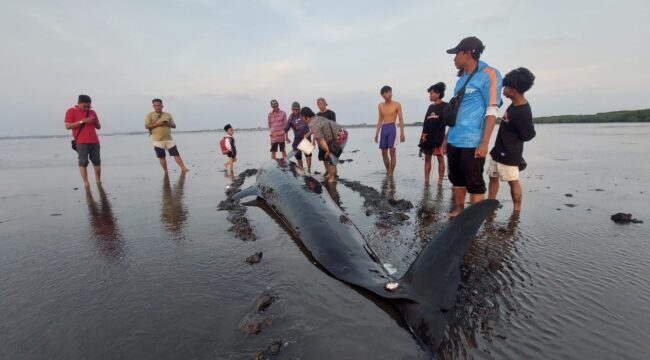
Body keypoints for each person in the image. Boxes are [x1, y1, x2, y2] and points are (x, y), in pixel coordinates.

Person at [445, 36, 503, 217]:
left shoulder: (490, 74)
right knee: (456, 177)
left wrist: (484, 142)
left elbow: (492, 110)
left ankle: (473, 217)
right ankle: (460, 208)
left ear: (468, 53)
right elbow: (455, 112)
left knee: (474, 180)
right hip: (455, 138)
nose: (454, 58)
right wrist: (446, 138)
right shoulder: (460, 80)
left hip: (473, 140)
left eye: (456, 54)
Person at [487, 67, 536, 212]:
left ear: (513, 90)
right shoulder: (513, 105)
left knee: (513, 181)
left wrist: (512, 141)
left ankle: (517, 211)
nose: (503, 89)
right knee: (493, 177)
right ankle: (489, 205)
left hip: (510, 153)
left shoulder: (523, 110)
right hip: (498, 150)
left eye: (506, 87)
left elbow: (528, 135)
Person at [301, 107, 348, 183]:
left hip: (341, 135)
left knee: (331, 155)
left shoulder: (313, 123)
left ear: (305, 116)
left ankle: (332, 178)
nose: (302, 119)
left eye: (302, 117)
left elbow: (322, 140)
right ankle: (332, 174)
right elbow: (319, 128)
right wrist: (309, 134)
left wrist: (328, 150)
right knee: (330, 155)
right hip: (339, 131)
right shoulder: (315, 117)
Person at [64, 94, 102, 187]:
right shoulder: (71, 111)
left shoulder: (92, 112)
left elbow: (99, 127)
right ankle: (86, 182)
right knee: (83, 161)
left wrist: (95, 121)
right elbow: (67, 126)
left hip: (94, 141)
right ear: (79, 103)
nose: (87, 108)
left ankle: (98, 180)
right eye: (85, 106)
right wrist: (83, 121)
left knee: (97, 161)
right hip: (81, 141)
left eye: (89, 106)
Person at [144, 98, 189, 173]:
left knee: (176, 154)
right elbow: (146, 126)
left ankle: (183, 168)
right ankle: (165, 171)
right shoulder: (150, 115)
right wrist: (158, 124)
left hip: (168, 139)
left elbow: (174, 126)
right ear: (153, 106)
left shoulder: (167, 114)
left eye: (159, 105)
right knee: (162, 157)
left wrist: (167, 124)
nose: (157, 107)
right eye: (156, 105)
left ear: (162, 106)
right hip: (157, 140)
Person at [418, 82, 448, 186]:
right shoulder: (430, 108)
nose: (430, 95)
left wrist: (446, 140)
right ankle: (426, 181)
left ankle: (440, 182)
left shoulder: (446, 106)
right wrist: (422, 139)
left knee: (440, 159)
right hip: (428, 138)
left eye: (431, 93)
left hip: (439, 138)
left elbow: (450, 122)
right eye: (430, 93)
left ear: (438, 94)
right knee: (427, 158)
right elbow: (425, 123)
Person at [374, 86, 406, 176]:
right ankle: (388, 170)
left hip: (393, 127)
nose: (389, 94)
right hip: (384, 128)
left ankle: (391, 172)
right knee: (383, 152)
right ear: (383, 95)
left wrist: (402, 133)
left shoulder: (397, 104)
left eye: (390, 92)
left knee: (392, 151)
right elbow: (380, 120)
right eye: (387, 92)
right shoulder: (380, 105)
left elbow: (400, 119)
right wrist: (376, 134)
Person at [284, 101, 312, 171]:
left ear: (299, 109)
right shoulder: (291, 117)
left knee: (308, 154)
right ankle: (301, 168)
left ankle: (309, 170)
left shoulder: (303, 115)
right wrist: (286, 137)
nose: (295, 111)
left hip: (306, 137)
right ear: (292, 109)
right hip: (297, 138)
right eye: (294, 109)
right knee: (297, 155)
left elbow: (312, 125)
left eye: (297, 109)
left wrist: (311, 135)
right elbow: (286, 128)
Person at [316, 97, 336, 173]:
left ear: (325, 103)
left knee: (331, 158)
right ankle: (327, 171)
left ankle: (334, 174)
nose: (320, 105)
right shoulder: (317, 115)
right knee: (323, 158)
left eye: (321, 103)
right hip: (321, 140)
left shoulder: (331, 113)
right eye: (318, 104)